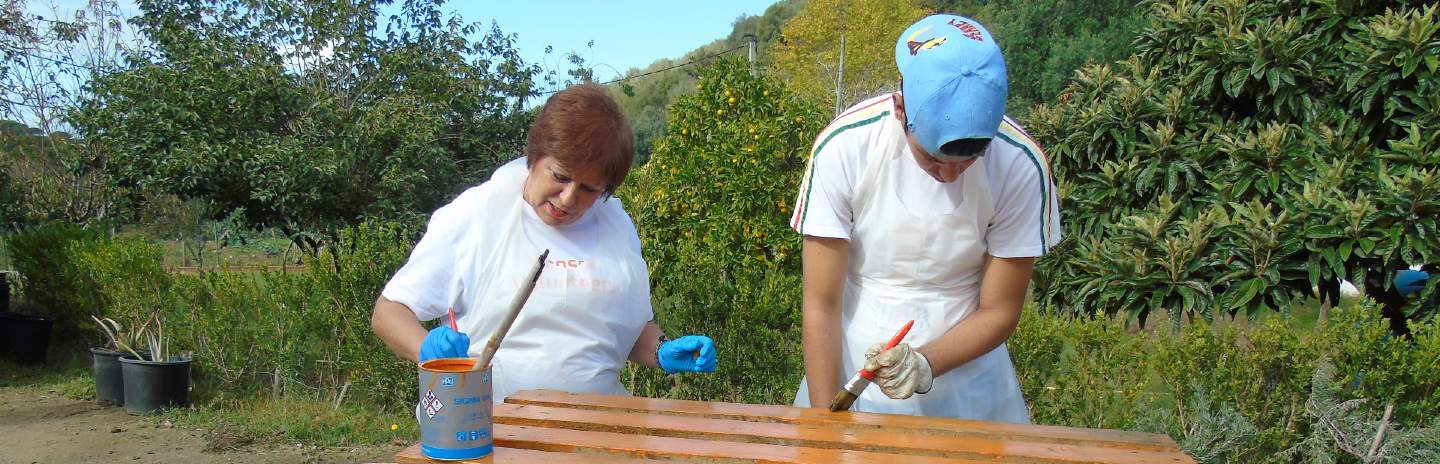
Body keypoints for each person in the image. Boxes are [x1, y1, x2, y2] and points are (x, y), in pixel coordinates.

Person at [371, 84, 717, 405]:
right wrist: (426, 349)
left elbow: (628, 328)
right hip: (490, 424)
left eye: (588, 189)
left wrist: (661, 350)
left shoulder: (616, 226)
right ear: (535, 156)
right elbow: (389, 313)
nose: (568, 198)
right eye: (561, 176)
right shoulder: (477, 214)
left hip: (598, 430)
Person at [788, 14, 1060, 422]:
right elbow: (821, 304)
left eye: (969, 160)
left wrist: (925, 363)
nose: (949, 175)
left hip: (971, 382)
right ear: (900, 108)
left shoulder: (1021, 164)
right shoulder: (845, 147)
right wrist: (827, 427)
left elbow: (1000, 309)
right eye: (932, 158)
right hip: (850, 366)